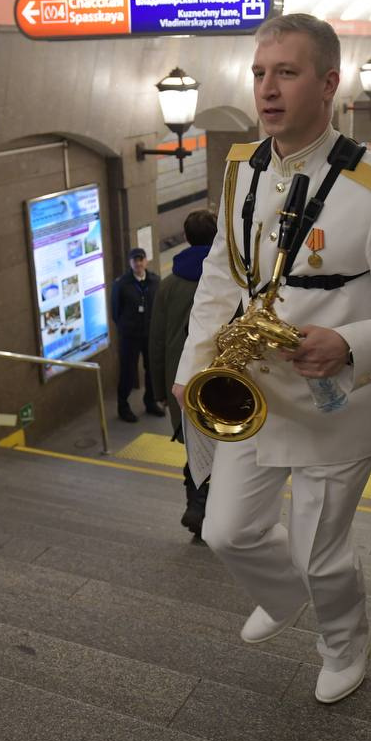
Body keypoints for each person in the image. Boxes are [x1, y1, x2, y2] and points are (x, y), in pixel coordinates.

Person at [172, 13, 371, 705]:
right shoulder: (241, 168)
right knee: (226, 528)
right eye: (260, 73)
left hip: (336, 405)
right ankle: (284, 591)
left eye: (285, 73)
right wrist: (190, 367)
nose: (267, 88)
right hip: (255, 390)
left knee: (321, 551)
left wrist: (351, 342)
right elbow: (221, 280)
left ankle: (345, 641)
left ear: (329, 83)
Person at [148, 210, 218, 540]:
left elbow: (158, 342)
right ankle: (213, 510)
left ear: (187, 238)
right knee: (227, 448)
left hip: (182, 382)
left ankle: (198, 505)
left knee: (195, 446)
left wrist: (159, 390)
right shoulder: (228, 277)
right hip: (222, 379)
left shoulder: (168, 285)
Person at [111, 247, 163, 423]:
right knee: (128, 371)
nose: (138, 263)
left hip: (149, 334)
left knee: (151, 370)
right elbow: (115, 312)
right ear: (130, 263)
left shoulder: (155, 281)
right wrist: (126, 327)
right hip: (130, 337)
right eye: (135, 260)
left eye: (141, 260)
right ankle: (123, 406)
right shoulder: (121, 284)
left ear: (146, 261)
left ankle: (150, 401)